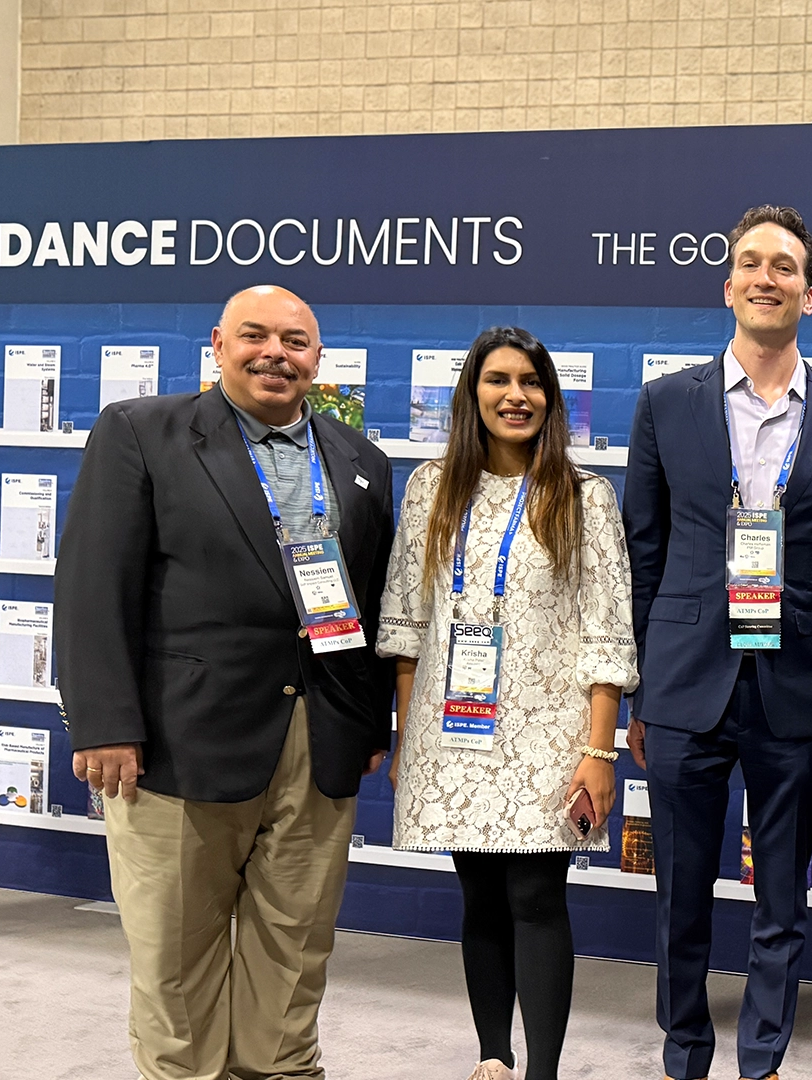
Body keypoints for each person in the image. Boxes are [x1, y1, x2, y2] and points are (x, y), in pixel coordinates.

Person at [56, 285, 394, 1080]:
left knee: (297, 942)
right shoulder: (141, 432)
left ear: (318, 359)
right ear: (218, 344)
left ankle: (280, 1068)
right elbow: (93, 585)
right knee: (177, 954)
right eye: (255, 336)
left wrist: (365, 723)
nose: (275, 353)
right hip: (182, 738)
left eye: (295, 341)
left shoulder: (359, 461)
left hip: (320, 738)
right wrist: (105, 724)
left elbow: (372, 605)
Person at [622, 204, 812, 1080]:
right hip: (687, 683)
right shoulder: (666, 404)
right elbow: (644, 553)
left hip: (796, 691)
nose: (766, 277)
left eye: (785, 267)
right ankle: (684, 1048)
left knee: (782, 897)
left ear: (809, 295)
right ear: (728, 284)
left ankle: (762, 1055)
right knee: (680, 894)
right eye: (750, 263)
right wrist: (640, 691)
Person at [378, 327, 637, 1080]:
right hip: (450, 728)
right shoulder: (431, 487)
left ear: (550, 399)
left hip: (548, 732)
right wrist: (406, 736)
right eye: (497, 380)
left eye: (530, 382)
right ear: (472, 393)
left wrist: (597, 750)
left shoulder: (583, 494)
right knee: (480, 894)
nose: (514, 396)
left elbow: (606, 631)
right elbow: (407, 621)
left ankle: (544, 1072)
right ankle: (493, 1056)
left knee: (533, 892)